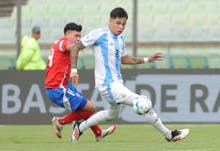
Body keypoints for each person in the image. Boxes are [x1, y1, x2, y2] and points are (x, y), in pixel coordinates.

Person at [70, 7, 190, 142]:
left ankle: (80, 127)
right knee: (143, 103)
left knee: (110, 115)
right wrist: (74, 71)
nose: (121, 27)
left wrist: (147, 59)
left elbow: (125, 59)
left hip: (116, 84)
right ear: (110, 20)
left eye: (124, 24)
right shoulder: (98, 34)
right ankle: (169, 135)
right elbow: (75, 47)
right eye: (118, 23)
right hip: (108, 85)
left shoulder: (120, 38)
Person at [44, 22, 116, 142]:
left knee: (85, 108)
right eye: (76, 36)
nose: (78, 39)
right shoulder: (63, 42)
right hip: (58, 88)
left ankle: (98, 133)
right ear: (68, 34)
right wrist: (81, 45)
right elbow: (70, 47)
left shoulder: (58, 43)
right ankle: (60, 122)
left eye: (79, 37)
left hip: (62, 86)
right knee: (91, 108)